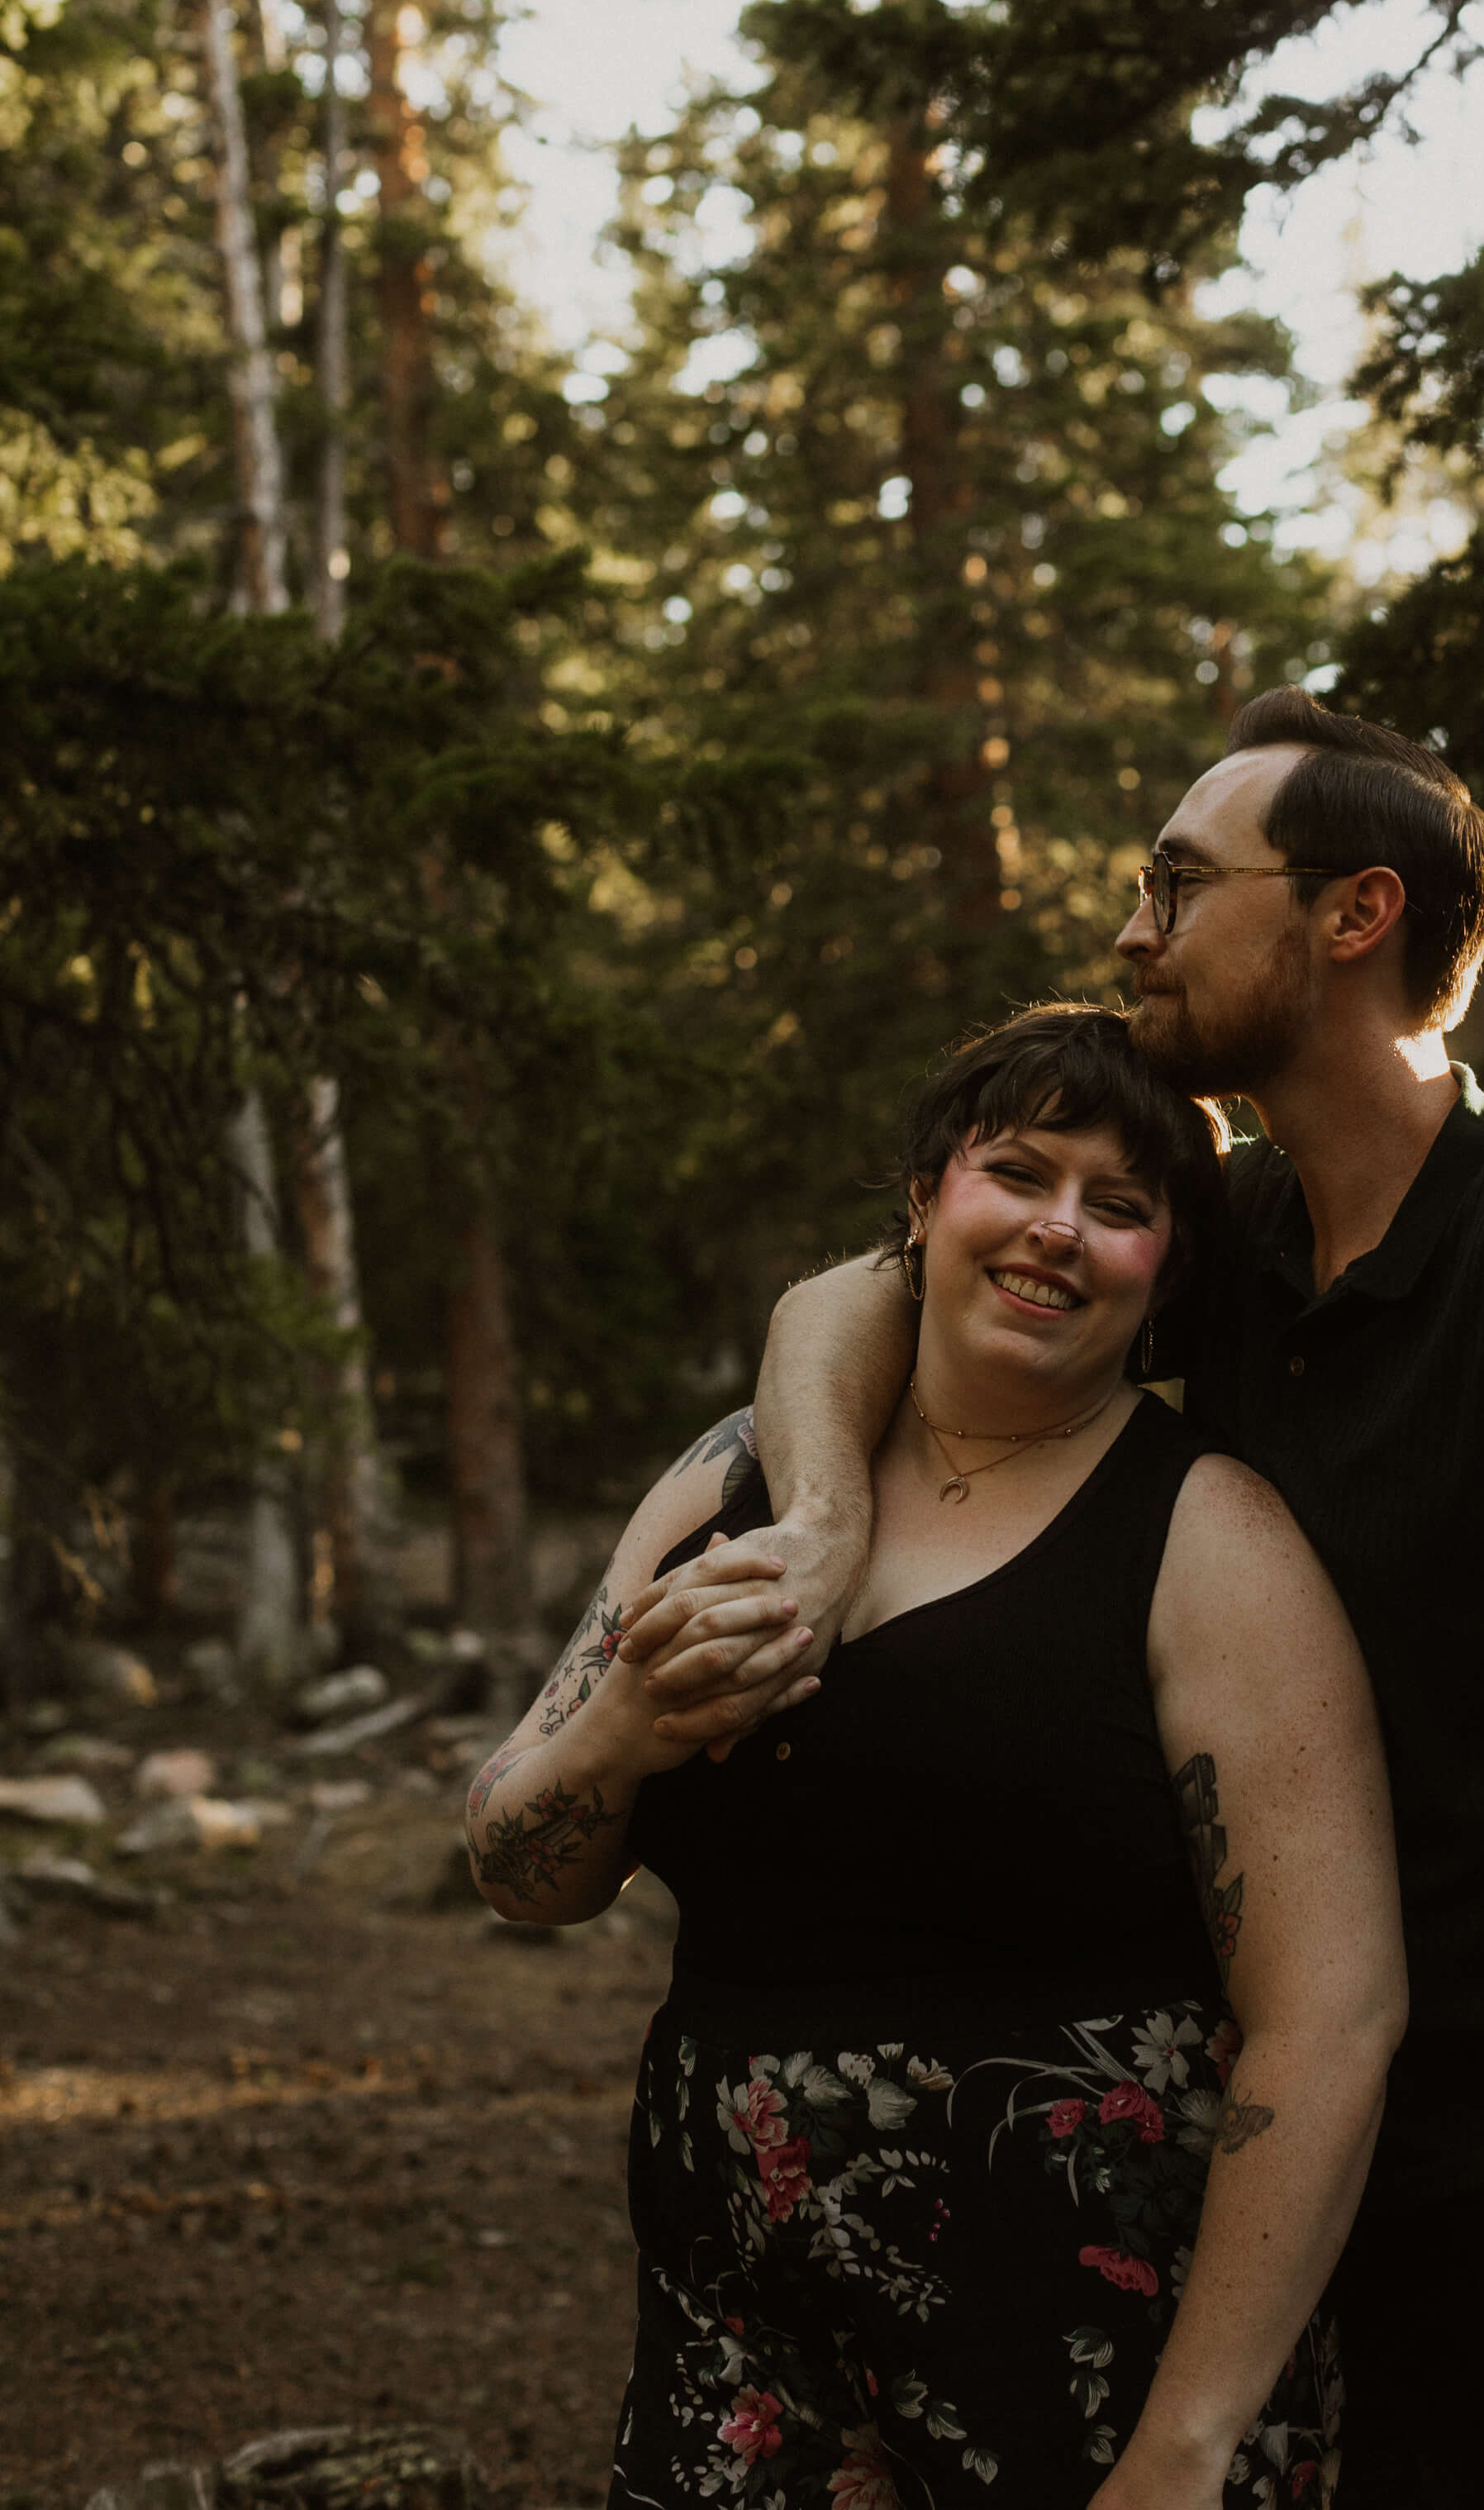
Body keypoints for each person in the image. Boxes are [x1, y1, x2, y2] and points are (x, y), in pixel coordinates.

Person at [659, 692, 1484, 2510]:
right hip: (1328, 2181)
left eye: (1176, 883)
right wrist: (828, 1527)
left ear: (1352, 915)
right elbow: (853, 1292)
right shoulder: (1245, 1233)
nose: (1132, 931)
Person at [465, 1003, 1404, 2510]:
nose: (1056, 1229)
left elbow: (1331, 2018)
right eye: (1015, 1174)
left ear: (1165, 1270)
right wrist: (628, 1727)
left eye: (1118, 1206)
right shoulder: (732, 1483)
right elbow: (522, 1869)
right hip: (744, 2345)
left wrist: (1186, 2444)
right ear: (921, 1203)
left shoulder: (1207, 1538)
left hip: (1092, 2363)